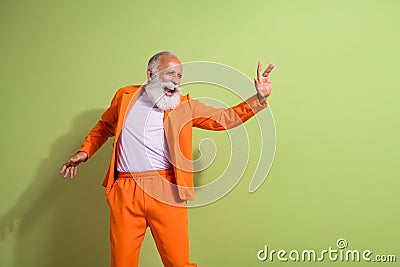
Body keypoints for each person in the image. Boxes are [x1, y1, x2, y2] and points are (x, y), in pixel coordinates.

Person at [59, 51, 275, 267]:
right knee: (121, 263)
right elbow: (104, 126)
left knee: (178, 263)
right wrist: (85, 151)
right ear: (151, 73)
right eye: (170, 73)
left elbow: (223, 119)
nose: (176, 80)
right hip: (125, 190)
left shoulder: (184, 105)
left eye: (180, 76)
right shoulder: (124, 97)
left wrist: (259, 98)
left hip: (167, 189)